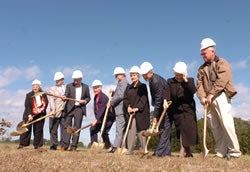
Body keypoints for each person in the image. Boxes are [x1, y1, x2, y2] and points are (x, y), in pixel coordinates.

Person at [197, 38, 241, 158]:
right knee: (215, 126)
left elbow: (222, 80)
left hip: (221, 96)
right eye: (201, 54)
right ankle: (221, 152)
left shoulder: (222, 63)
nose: (203, 56)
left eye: (204, 53)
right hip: (208, 99)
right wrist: (202, 97)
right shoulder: (201, 68)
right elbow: (199, 84)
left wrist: (211, 94)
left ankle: (234, 152)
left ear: (212, 51)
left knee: (226, 124)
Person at [163, 62, 198, 157]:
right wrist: (165, 100)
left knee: (187, 129)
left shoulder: (190, 80)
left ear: (184, 73)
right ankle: (189, 152)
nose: (178, 77)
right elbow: (167, 91)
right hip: (176, 109)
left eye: (180, 75)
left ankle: (182, 151)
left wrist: (185, 80)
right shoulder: (170, 81)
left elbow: (193, 91)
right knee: (181, 130)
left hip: (188, 109)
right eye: (176, 74)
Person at [140, 61, 172, 157]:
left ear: (150, 72)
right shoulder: (152, 80)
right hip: (162, 106)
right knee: (163, 130)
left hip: (165, 107)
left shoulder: (155, 81)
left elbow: (158, 100)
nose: (144, 77)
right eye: (143, 75)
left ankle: (158, 153)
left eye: (145, 75)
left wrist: (155, 116)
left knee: (164, 130)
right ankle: (166, 153)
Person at [61, 70, 91, 151]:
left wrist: (84, 101)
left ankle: (74, 146)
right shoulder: (69, 86)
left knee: (77, 127)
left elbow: (88, 97)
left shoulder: (86, 87)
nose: (75, 81)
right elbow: (66, 95)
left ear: (81, 79)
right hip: (69, 108)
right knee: (67, 126)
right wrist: (64, 97)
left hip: (79, 109)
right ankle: (65, 145)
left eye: (77, 80)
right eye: (74, 79)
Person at [123, 66, 150, 154]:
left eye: (134, 75)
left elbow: (144, 99)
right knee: (131, 130)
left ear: (138, 76)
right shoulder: (128, 88)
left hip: (141, 112)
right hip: (131, 113)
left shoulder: (143, 86)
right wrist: (128, 107)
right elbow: (125, 99)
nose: (132, 77)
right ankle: (129, 150)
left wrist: (137, 108)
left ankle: (143, 149)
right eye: (131, 75)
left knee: (141, 131)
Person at [18, 79, 48, 149]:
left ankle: (37, 145)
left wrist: (41, 110)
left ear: (40, 86)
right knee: (26, 129)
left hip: (40, 115)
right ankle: (22, 144)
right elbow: (27, 106)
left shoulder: (44, 94)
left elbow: (46, 103)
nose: (35, 87)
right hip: (29, 114)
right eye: (33, 86)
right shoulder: (28, 95)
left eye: (36, 86)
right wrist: (30, 115)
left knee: (38, 130)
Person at [107, 67, 128, 153]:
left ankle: (116, 147)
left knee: (119, 129)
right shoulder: (120, 83)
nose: (116, 77)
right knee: (119, 129)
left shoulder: (124, 82)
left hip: (121, 109)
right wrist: (113, 93)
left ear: (122, 74)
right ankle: (118, 146)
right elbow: (117, 94)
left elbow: (120, 95)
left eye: (117, 75)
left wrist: (111, 102)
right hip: (119, 109)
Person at [89, 80, 115, 149]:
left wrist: (97, 120)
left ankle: (109, 148)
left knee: (103, 131)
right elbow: (96, 110)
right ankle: (94, 146)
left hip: (108, 117)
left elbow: (102, 110)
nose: (95, 89)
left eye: (96, 88)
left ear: (100, 88)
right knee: (92, 129)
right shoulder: (96, 97)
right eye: (94, 88)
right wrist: (98, 119)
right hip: (101, 118)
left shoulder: (103, 97)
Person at [48, 72, 66, 150]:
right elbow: (51, 99)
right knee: (53, 129)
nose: (57, 81)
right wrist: (53, 109)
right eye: (56, 80)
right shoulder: (52, 88)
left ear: (62, 80)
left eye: (59, 80)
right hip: (54, 112)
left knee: (64, 130)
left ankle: (63, 146)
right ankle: (53, 145)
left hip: (64, 112)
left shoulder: (67, 87)